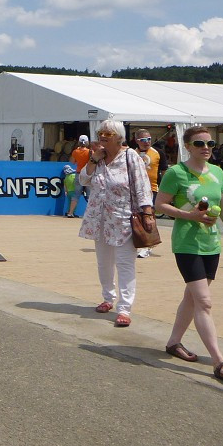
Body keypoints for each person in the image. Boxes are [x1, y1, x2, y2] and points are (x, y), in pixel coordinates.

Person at [156, 126, 223, 381]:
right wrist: (189, 215)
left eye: (210, 144)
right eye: (199, 144)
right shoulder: (176, 173)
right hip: (186, 244)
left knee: (192, 298)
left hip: (211, 244)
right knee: (204, 302)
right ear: (187, 146)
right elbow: (160, 205)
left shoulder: (218, 173)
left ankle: (174, 342)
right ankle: (220, 362)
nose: (206, 148)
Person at [77, 120, 154, 327]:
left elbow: (142, 186)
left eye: (108, 133)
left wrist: (147, 212)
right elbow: (83, 180)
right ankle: (107, 298)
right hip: (100, 219)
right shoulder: (98, 158)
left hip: (124, 219)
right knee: (103, 263)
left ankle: (124, 308)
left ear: (119, 137)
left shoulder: (131, 157)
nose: (103, 136)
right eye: (101, 132)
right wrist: (94, 158)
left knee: (124, 263)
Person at [131, 128, 167, 259]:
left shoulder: (158, 153)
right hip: (135, 189)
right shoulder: (132, 153)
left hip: (152, 188)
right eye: (143, 140)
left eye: (149, 139)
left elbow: (164, 171)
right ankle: (140, 242)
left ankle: (148, 245)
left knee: (149, 216)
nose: (147, 142)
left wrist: (165, 189)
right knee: (137, 217)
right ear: (137, 141)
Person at [65, 135, 91, 218]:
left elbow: (72, 162)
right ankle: (91, 213)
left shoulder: (75, 151)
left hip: (78, 173)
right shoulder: (89, 152)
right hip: (87, 173)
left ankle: (70, 212)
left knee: (76, 195)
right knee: (90, 195)